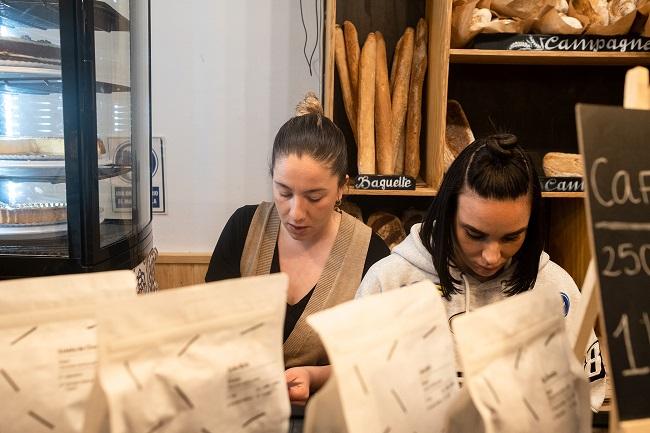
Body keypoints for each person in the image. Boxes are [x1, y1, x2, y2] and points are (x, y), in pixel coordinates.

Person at [290, 133, 605, 409]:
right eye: (474, 234)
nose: (491, 256)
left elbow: (584, 398)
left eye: (511, 237)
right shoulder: (392, 281)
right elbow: (353, 391)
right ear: (448, 212)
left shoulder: (555, 290)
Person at [205, 93, 390, 399]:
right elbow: (210, 328)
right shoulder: (245, 229)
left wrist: (314, 376)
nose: (296, 212)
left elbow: (375, 357)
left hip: (324, 414)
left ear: (342, 187)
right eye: (284, 192)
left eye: (315, 197)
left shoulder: (370, 254)